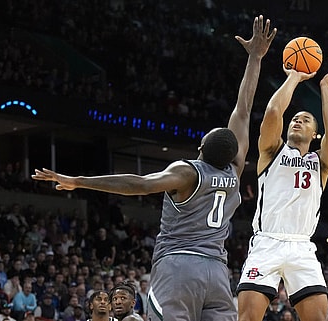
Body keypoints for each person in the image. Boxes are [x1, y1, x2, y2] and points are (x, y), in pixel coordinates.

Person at [31, 14, 277, 321]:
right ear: (234, 155)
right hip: (217, 272)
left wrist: (79, 181)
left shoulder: (187, 172)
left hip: (178, 267)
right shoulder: (233, 172)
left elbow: (139, 183)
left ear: (200, 146)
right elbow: (244, 109)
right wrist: (255, 58)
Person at [236, 62, 328, 321]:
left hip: (302, 247)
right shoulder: (272, 150)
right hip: (266, 243)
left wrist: (325, 88)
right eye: (295, 118)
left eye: (305, 120)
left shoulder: (322, 163)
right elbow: (273, 111)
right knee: (247, 318)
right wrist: (294, 78)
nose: (297, 121)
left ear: (315, 133)